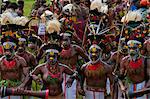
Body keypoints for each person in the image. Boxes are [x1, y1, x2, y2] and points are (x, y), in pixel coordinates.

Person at [59, 31, 89, 99]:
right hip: (62, 74)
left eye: (66, 40)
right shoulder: (58, 50)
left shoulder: (76, 48)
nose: (64, 42)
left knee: (72, 95)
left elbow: (87, 59)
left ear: (71, 40)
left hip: (73, 74)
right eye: (63, 40)